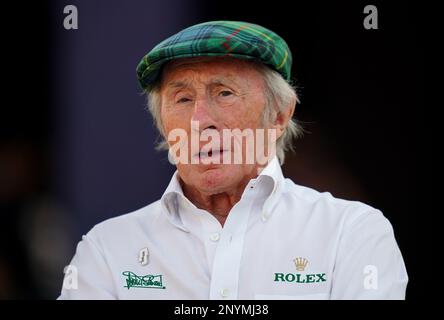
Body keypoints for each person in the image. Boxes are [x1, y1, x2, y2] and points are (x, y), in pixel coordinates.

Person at [58, 21, 408, 300]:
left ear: (279, 116)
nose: (199, 121)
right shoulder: (107, 249)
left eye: (224, 93)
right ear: (164, 125)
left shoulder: (351, 233)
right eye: (181, 99)